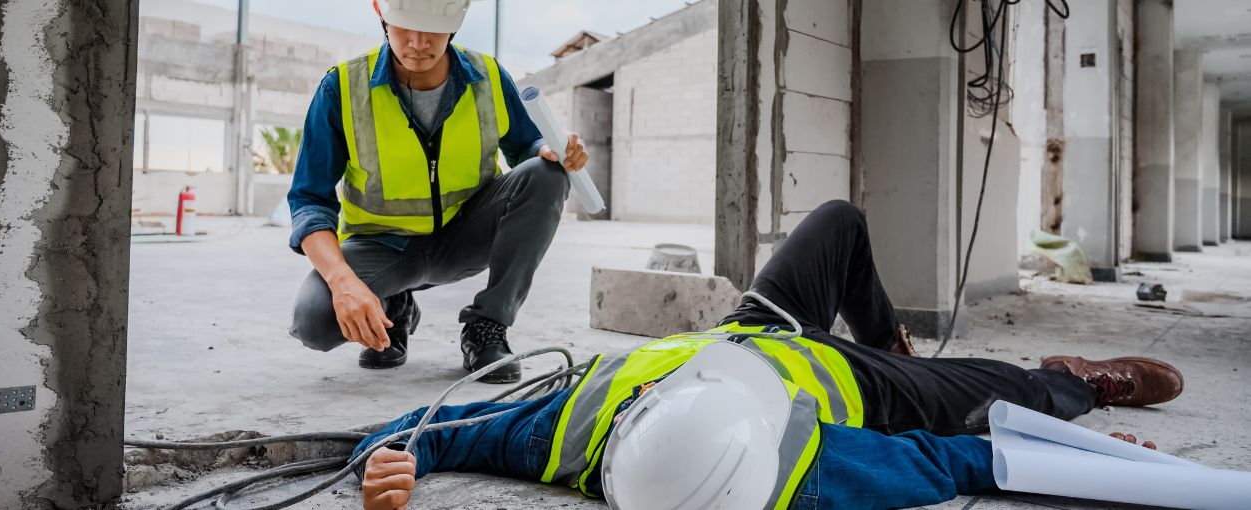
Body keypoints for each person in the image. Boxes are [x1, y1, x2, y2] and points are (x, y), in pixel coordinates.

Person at [353, 201, 1185, 510]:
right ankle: (1074, 383)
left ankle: (895, 340)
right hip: (862, 388)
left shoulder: (558, 430)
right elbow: (962, 459)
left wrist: (383, 462)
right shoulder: (812, 469)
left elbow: (430, 429)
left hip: (756, 330)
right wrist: (1088, 457)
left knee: (840, 222)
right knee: (1017, 393)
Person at [288, 0, 589, 384]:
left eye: (431, 30)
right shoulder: (342, 88)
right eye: (404, 28)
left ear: (455, 23)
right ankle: (394, 307)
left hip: (464, 238)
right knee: (314, 321)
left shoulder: (488, 76)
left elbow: (528, 148)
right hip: (383, 248)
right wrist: (343, 282)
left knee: (549, 173)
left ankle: (487, 325)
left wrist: (551, 150)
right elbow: (309, 200)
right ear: (382, 16)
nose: (417, 43)